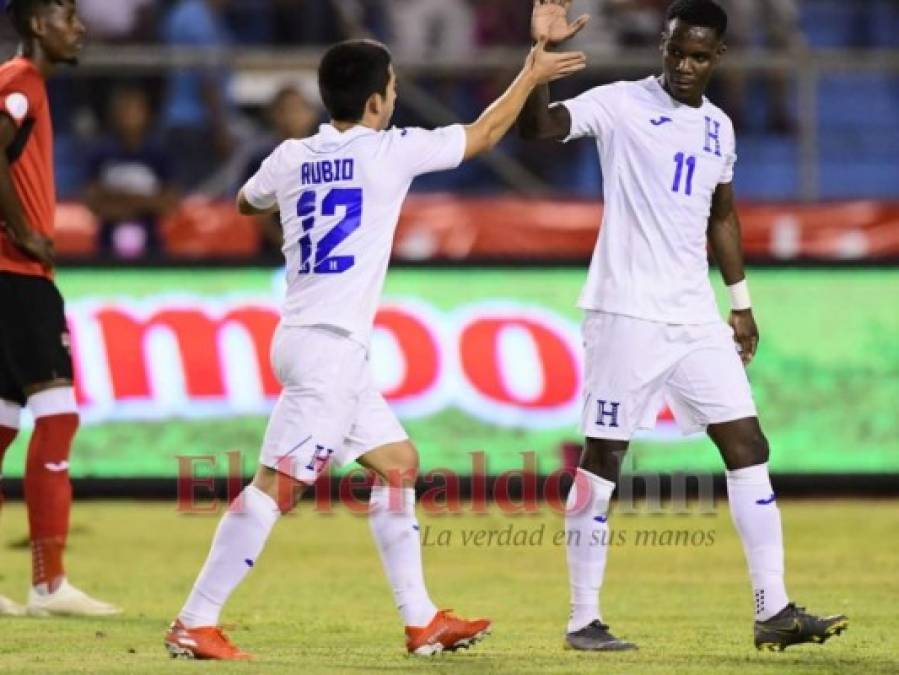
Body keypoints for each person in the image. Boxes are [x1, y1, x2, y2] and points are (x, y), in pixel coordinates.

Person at [163, 38, 586, 660]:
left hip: (310, 338)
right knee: (274, 487)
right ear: (376, 101)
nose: (394, 95)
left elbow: (244, 201)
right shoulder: (391, 151)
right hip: (329, 349)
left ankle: (421, 622)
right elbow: (484, 134)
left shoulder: (290, 154)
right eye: (390, 86)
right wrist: (530, 70)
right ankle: (193, 621)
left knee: (398, 464)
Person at [518, 0, 847, 653]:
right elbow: (539, 129)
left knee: (748, 446)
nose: (684, 65)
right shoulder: (619, 103)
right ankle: (582, 619)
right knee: (604, 455)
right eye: (674, 52)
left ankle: (772, 609)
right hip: (625, 311)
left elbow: (720, 213)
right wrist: (538, 67)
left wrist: (741, 301)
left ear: (716, 57)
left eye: (698, 56)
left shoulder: (719, 127)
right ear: (661, 46)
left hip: (694, 314)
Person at [0, 0, 119, 617]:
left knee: (3, 424)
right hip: (16, 278)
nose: (79, 26)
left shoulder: (25, 86)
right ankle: (50, 584)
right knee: (58, 414)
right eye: (68, 15)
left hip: (10, 277)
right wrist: (21, 230)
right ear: (36, 24)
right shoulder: (19, 84)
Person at [85, 86, 178, 259]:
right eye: (123, 110)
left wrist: (117, 197)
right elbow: (93, 203)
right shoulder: (100, 153)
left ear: (147, 114)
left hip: (151, 245)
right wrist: (142, 202)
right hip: (107, 245)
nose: (128, 117)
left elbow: (169, 203)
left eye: (134, 110)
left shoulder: (158, 155)